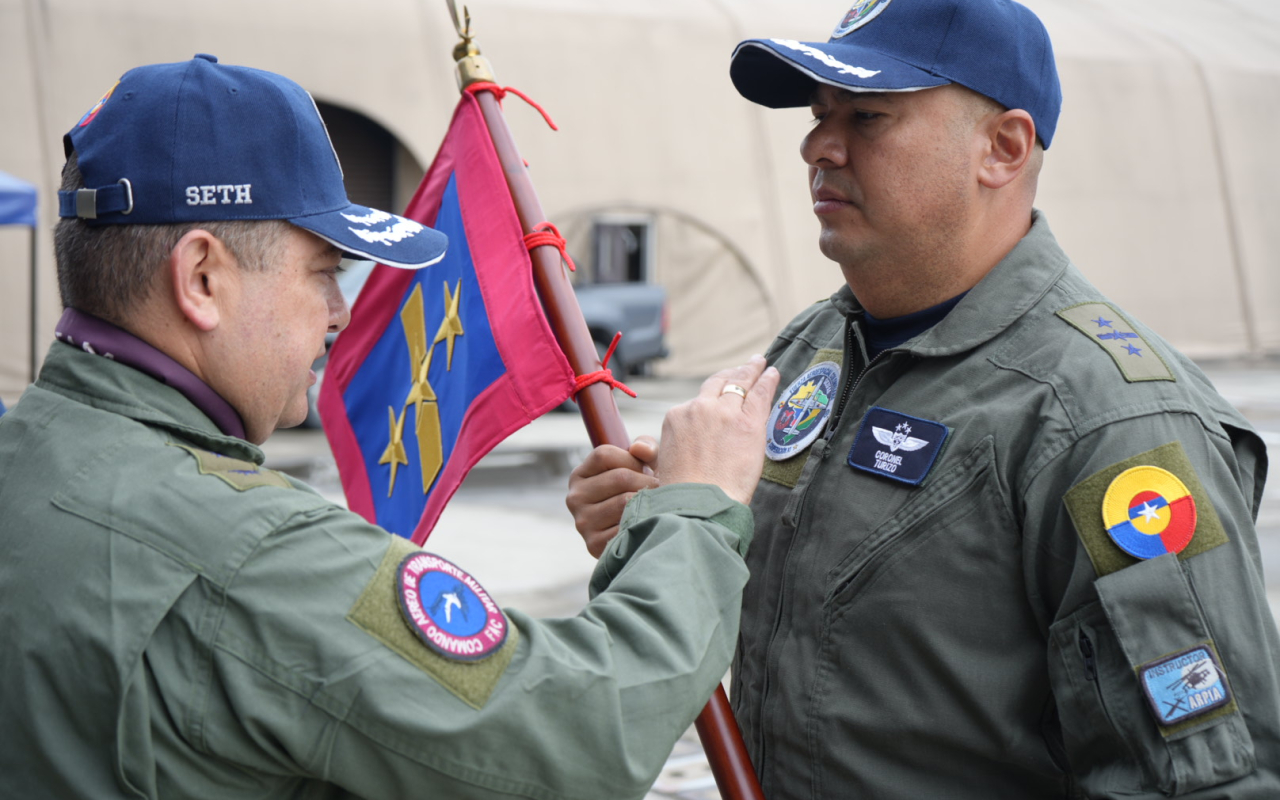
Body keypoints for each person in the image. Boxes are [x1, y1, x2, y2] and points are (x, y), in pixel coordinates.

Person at [0, 54, 781, 799]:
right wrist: (696, 506)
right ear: (203, 279)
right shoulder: (251, 555)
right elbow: (589, 729)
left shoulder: (27, 455)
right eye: (324, 273)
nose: (341, 314)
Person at [567, 0, 1280, 795]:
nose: (816, 145)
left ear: (1003, 148)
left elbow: (1205, 778)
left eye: (868, 117)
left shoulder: (1109, 422)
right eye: (818, 114)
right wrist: (668, 524)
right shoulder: (810, 352)